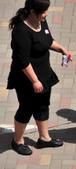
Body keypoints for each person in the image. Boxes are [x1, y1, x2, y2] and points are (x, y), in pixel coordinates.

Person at [7, 0, 72, 155]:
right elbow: (22, 61)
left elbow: (47, 40)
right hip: (26, 79)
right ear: (32, 11)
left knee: (43, 105)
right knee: (26, 108)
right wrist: (35, 80)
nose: (46, 14)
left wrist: (62, 49)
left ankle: (44, 138)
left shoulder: (40, 21)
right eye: (43, 11)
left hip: (44, 74)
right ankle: (17, 141)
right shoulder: (21, 31)